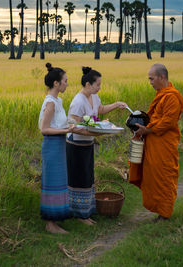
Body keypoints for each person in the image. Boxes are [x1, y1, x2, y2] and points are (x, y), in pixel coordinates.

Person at [66, 67, 127, 225]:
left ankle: (86, 211)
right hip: (76, 144)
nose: (99, 87)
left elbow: (99, 110)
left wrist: (116, 104)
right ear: (88, 84)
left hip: (87, 143)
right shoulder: (77, 102)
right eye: (97, 84)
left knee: (88, 177)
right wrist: (97, 133)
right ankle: (79, 215)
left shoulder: (94, 96)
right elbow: (74, 126)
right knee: (79, 178)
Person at [129, 64, 183, 222]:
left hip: (164, 145)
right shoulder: (162, 94)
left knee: (164, 176)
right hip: (154, 142)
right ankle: (159, 210)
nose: (150, 82)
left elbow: (168, 122)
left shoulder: (172, 96)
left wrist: (146, 130)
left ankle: (165, 213)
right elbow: (155, 119)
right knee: (154, 177)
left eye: (152, 79)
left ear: (162, 77)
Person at [39, 63, 75, 234]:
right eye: (65, 81)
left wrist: (70, 126)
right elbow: (44, 129)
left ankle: (55, 220)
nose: (67, 84)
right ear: (56, 83)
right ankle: (50, 224)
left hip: (59, 144)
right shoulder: (51, 103)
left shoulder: (58, 101)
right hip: (52, 146)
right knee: (52, 183)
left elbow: (58, 124)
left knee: (59, 182)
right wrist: (66, 130)